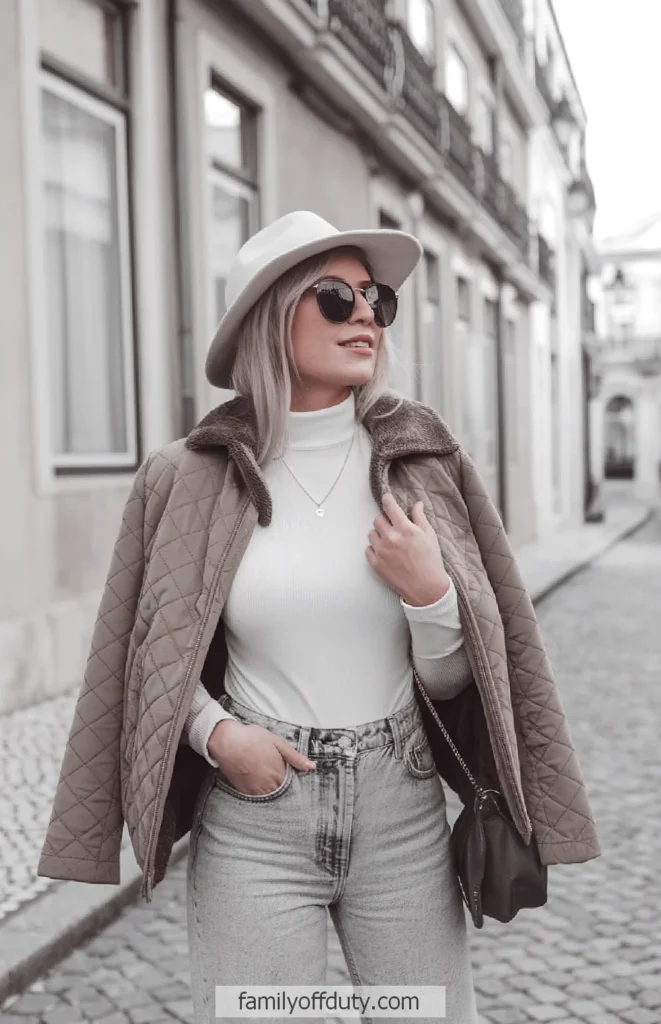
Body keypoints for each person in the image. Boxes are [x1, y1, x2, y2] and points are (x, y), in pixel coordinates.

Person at [38, 211, 600, 1024]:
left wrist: (429, 595)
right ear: (271, 313)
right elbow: (144, 653)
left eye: (375, 299)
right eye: (335, 297)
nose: (366, 314)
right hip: (255, 820)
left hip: (400, 811)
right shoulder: (183, 477)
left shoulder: (425, 462)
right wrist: (216, 735)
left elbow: (453, 681)